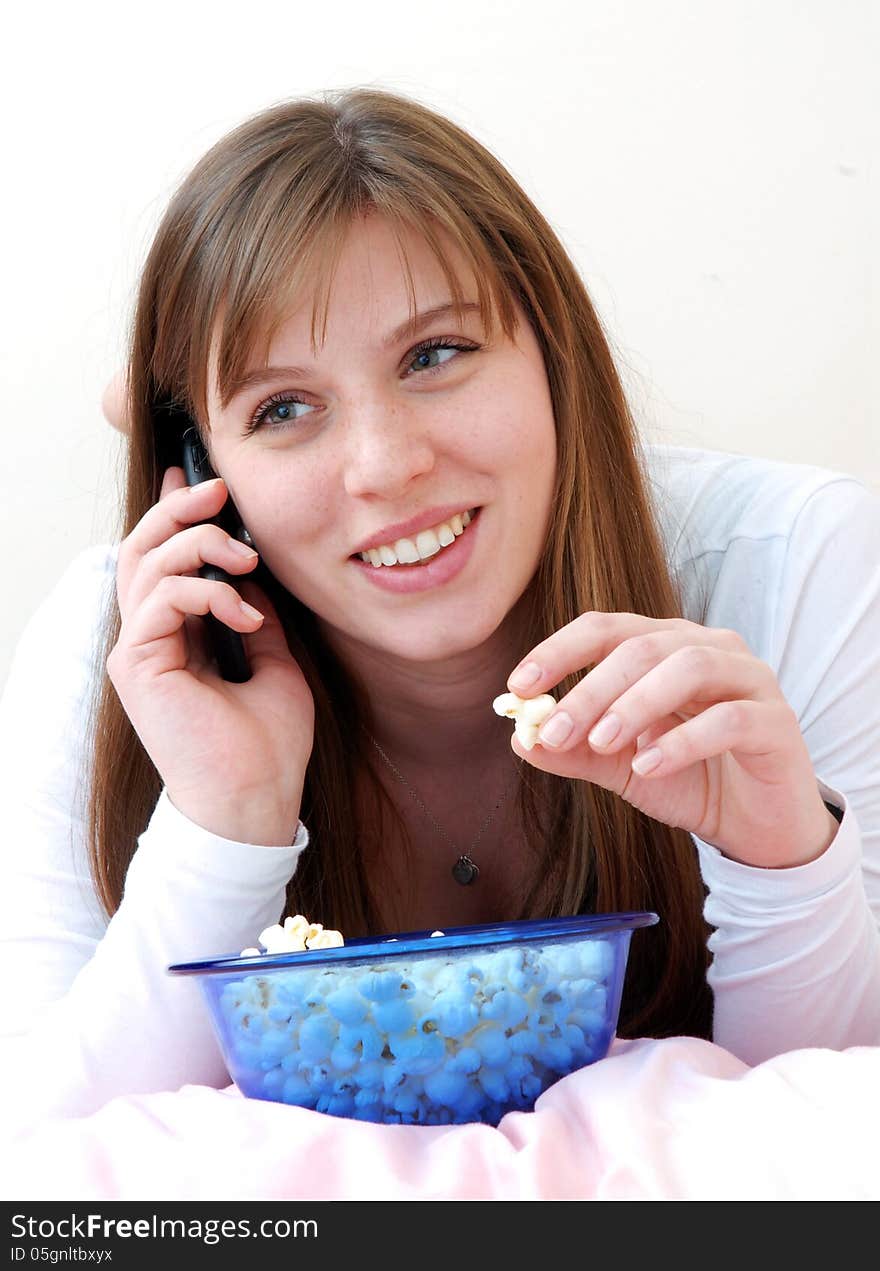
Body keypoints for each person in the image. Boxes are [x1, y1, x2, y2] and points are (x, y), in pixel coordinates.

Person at [1, 87, 878, 1132]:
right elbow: (46, 1170)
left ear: (554, 352)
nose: (386, 467)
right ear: (202, 470)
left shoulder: (794, 565)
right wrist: (222, 823)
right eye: (282, 409)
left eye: (435, 355)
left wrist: (782, 858)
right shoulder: (117, 648)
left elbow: (837, 1151)